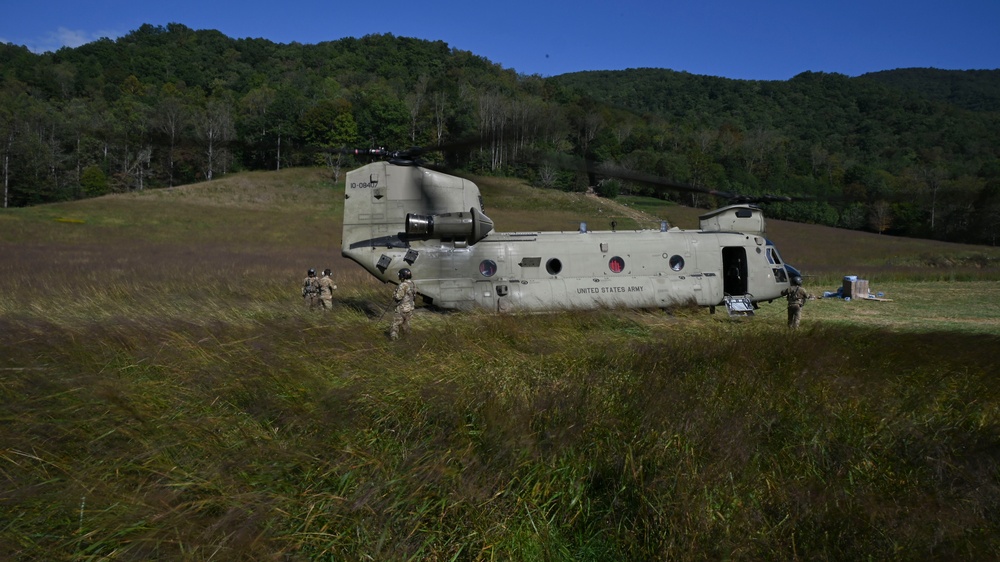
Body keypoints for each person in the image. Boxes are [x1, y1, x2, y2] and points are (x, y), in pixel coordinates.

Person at [389, 268, 415, 341]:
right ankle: (408, 340)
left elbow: (398, 297)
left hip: (402, 308)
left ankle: (393, 340)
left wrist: (394, 294)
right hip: (410, 308)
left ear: (402, 276)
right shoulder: (412, 284)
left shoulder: (403, 285)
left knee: (395, 325)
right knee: (406, 325)